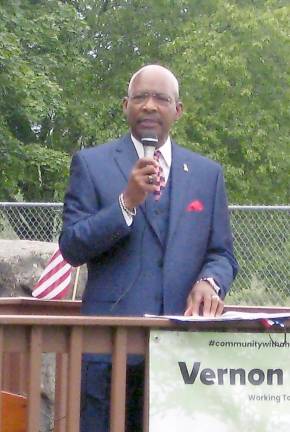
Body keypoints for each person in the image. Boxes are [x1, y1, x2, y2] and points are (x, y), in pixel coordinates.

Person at [59, 64, 238, 431]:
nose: (150, 106)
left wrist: (210, 282)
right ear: (126, 106)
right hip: (108, 349)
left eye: (161, 98)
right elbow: (72, 247)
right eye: (141, 97)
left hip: (181, 352)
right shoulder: (91, 164)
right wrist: (126, 203)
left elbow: (222, 254)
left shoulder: (207, 174)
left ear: (178, 110)